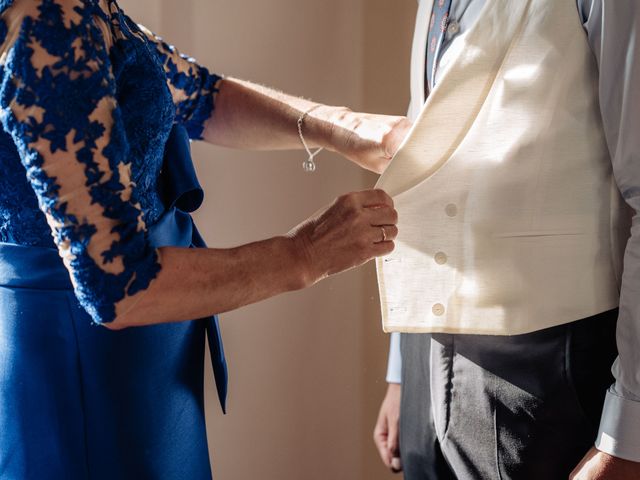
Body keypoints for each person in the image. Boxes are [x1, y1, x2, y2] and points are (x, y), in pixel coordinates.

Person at [0, 0, 410, 478]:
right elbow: (118, 288)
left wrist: (350, 129)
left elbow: (198, 97)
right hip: (84, 375)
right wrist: (307, 252)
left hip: (144, 363)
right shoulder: (47, 22)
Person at [373, 1, 640, 479]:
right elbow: (428, 153)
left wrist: (629, 435)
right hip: (423, 361)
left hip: (547, 369)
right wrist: (402, 371)